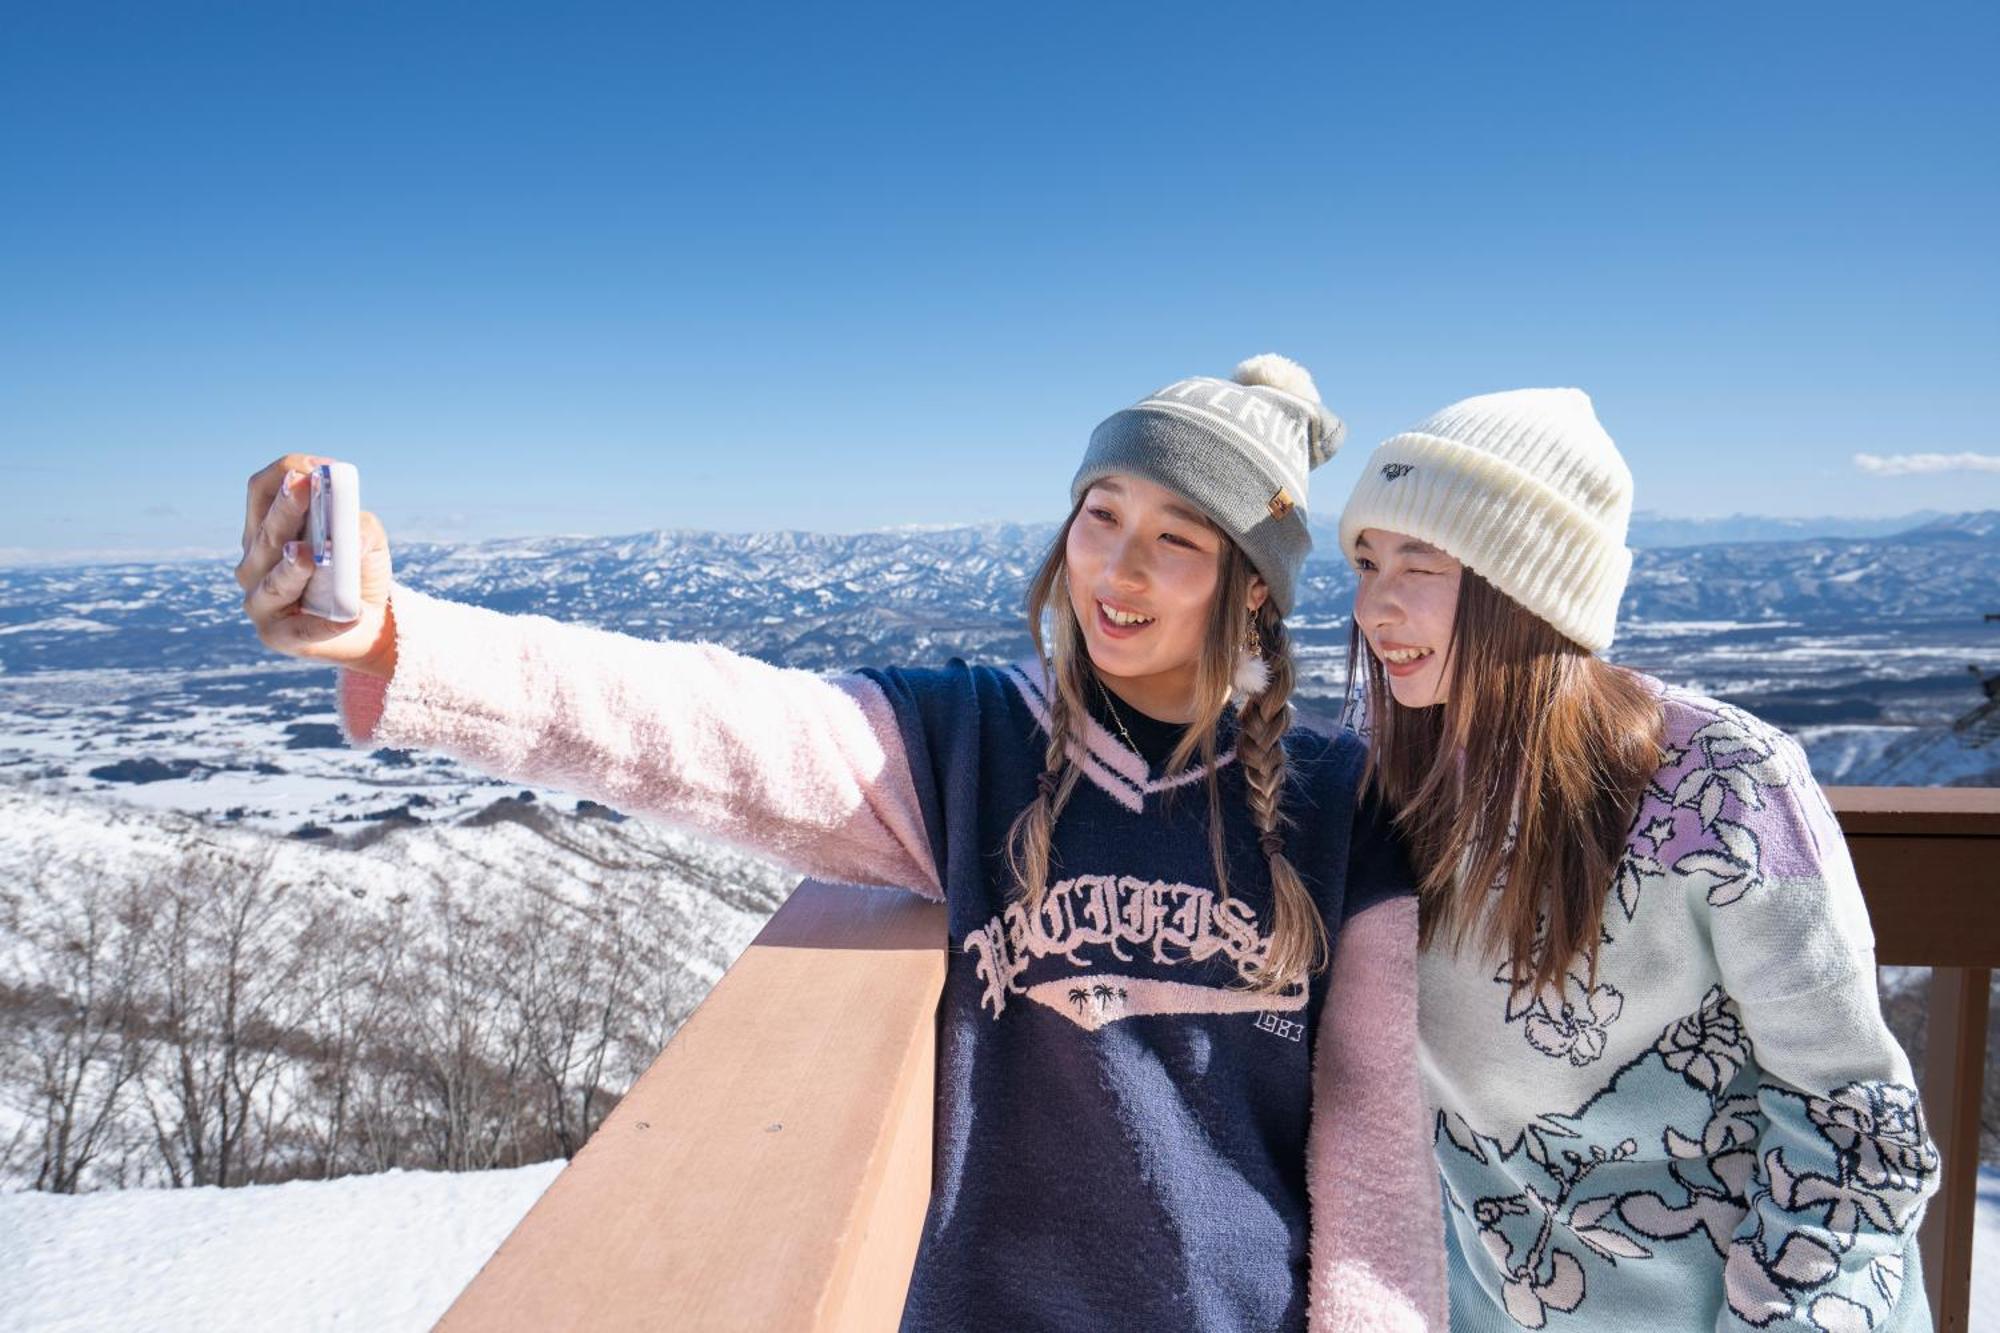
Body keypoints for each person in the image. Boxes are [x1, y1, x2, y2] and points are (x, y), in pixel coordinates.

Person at [236, 356, 1446, 1331]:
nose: (1117, 569)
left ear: (1248, 589)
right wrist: (396, 637)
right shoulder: (963, 744)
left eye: (1177, 539)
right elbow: (694, 724)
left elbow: (1377, 1161)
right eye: (1099, 514)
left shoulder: (1340, 805)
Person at [1336, 388, 1940, 1331]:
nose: (1376, 603)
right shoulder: (1389, 789)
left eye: (1424, 562)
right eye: (1367, 562)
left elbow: (1851, 1120)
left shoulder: (1724, 784)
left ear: (1528, 586)